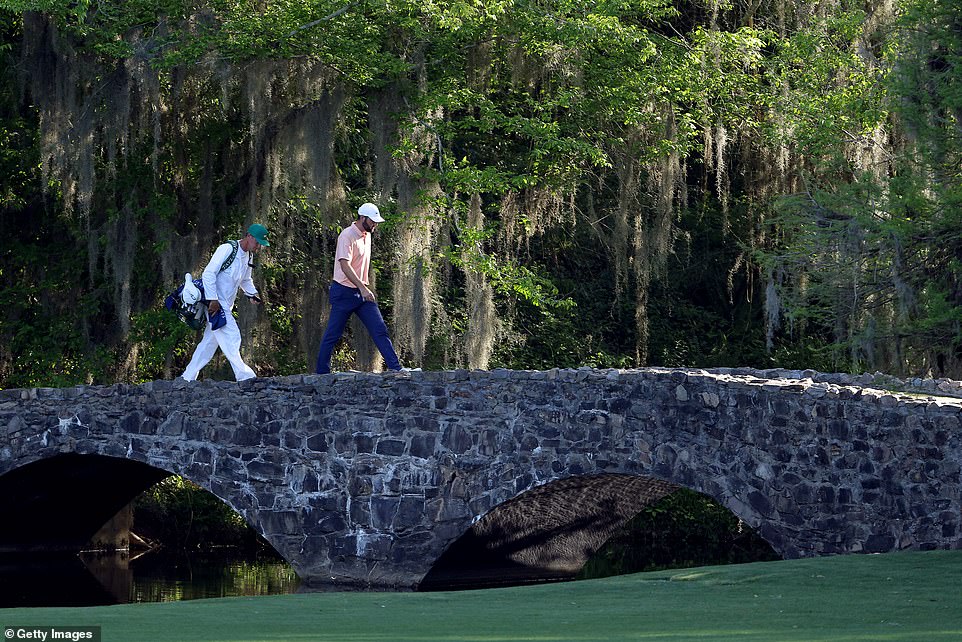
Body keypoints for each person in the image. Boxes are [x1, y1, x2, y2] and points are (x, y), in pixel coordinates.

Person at [315, 203, 405, 374]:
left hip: (361, 292)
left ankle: (396, 368)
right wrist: (362, 288)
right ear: (362, 218)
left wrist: (362, 288)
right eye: (372, 221)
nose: (375, 225)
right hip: (343, 291)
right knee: (333, 334)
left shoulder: (367, 235)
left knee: (379, 329)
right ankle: (321, 373)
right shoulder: (347, 235)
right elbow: (344, 265)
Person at [181, 223, 269, 382]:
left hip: (225, 305)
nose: (258, 247)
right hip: (215, 304)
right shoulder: (227, 249)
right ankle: (246, 377)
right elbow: (208, 273)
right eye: (257, 243)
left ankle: (186, 378)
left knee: (208, 344)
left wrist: (253, 294)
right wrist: (212, 299)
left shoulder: (248, 255)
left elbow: (246, 280)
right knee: (232, 336)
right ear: (249, 237)